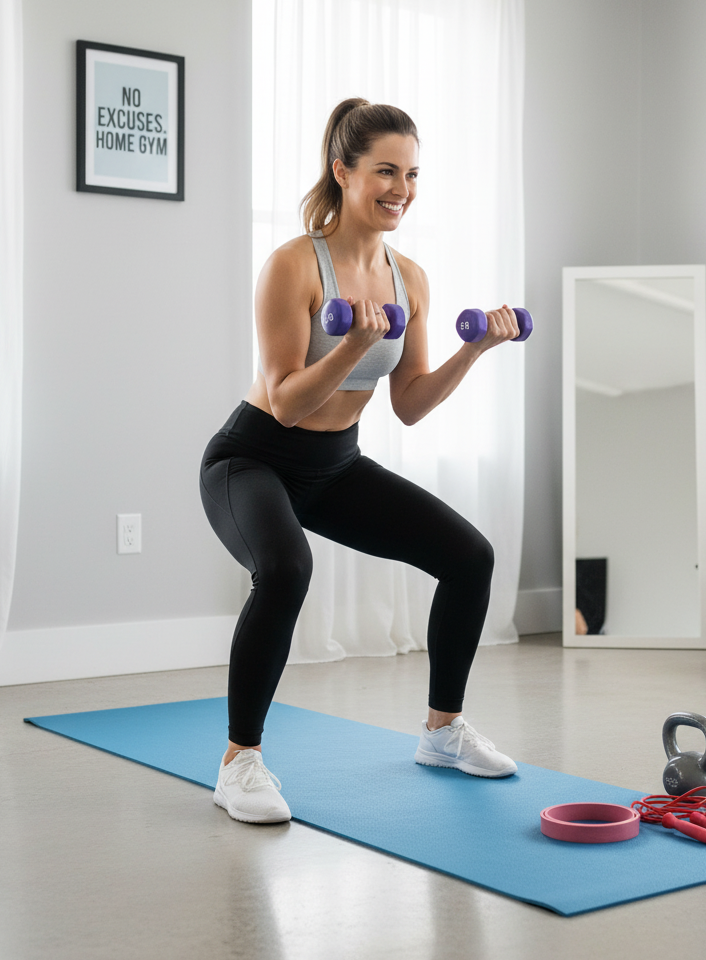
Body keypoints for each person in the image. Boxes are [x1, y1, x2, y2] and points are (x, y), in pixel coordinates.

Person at [199, 98, 521, 824]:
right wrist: (349, 346)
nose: (401, 189)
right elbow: (285, 402)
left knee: (469, 556)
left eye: (412, 175)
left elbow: (409, 403)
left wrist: (474, 350)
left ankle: (442, 733)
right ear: (343, 171)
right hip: (251, 459)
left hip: (336, 466)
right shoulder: (293, 266)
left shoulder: (410, 279)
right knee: (286, 568)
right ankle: (239, 763)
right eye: (385, 171)